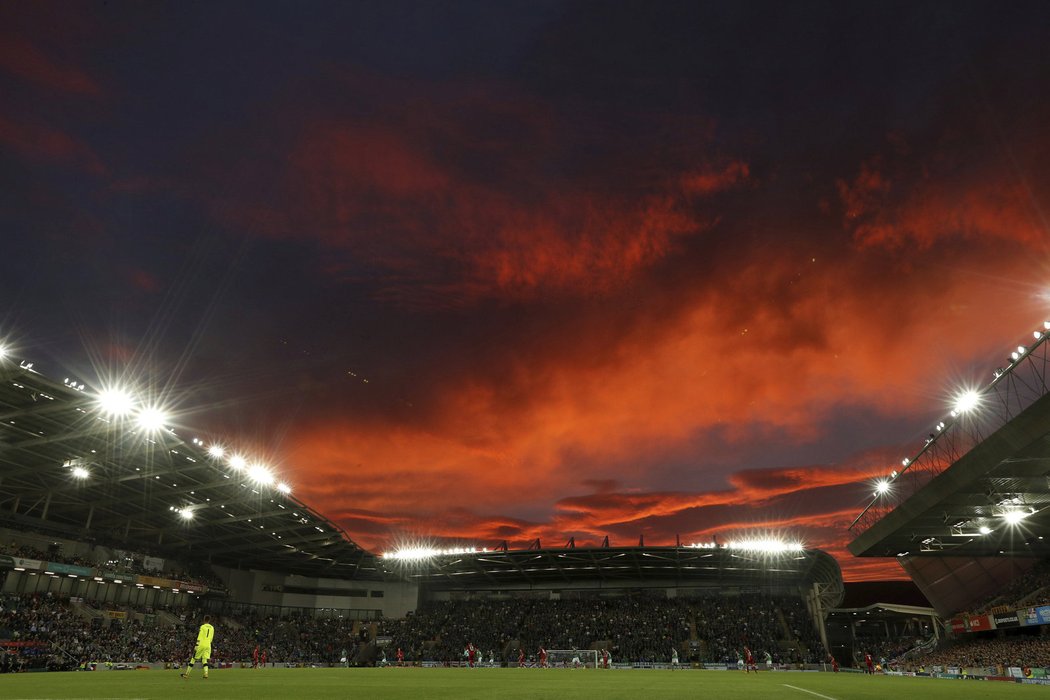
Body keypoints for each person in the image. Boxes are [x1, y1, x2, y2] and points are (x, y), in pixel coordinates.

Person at [180, 615, 214, 680]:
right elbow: (211, 638)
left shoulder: (202, 627)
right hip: (208, 645)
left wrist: (196, 645)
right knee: (204, 659)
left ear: (204, 620)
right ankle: (206, 674)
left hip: (201, 644)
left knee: (193, 658)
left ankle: (187, 674)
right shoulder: (212, 627)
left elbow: (199, 636)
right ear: (209, 620)